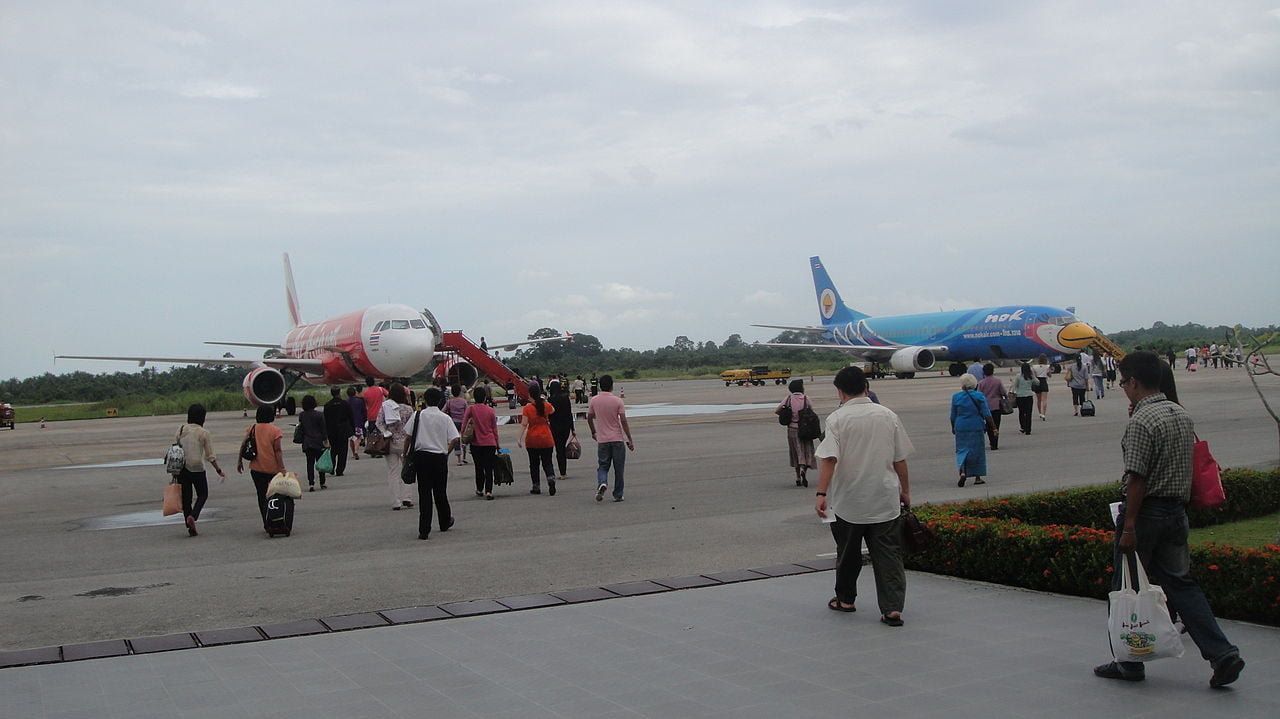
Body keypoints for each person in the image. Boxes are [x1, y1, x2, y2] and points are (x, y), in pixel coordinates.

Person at [1093, 351, 1245, 687]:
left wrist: (1129, 526)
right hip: (1177, 512)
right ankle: (1222, 654)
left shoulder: (1142, 422)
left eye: (1123, 382)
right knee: (1182, 585)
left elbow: (1137, 479)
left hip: (1145, 515)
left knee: (1126, 587)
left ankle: (1130, 662)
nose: (1122, 388)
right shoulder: (1180, 414)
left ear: (1133, 381)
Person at [813, 366, 913, 625]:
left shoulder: (836, 419)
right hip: (884, 499)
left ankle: (845, 600)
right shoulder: (887, 415)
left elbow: (828, 459)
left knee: (848, 553)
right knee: (889, 554)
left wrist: (821, 493)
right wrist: (905, 490)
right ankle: (892, 609)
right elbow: (899, 458)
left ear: (840, 391)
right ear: (866, 387)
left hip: (849, 501)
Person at [404, 387, 459, 540]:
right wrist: (446, 452)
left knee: (424, 492)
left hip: (421, 457)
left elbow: (408, 437)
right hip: (439, 457)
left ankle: (424, 529)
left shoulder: (417, 415)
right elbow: (455, 439)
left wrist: (405, 456)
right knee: (440, 491)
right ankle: (444, 521)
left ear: (425, 400)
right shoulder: (445, 418)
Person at [174, 404, 224, 537]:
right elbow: (210, 456)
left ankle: (188, 523)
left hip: (182, 468)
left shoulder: (181, 429)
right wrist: (218, 470)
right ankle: (193, 516)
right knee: (202, 494)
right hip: (197, 467)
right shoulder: (203, 433)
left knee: (186, 498)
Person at [236, 404, 286, 532]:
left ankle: (266, 521)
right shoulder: (275, 431)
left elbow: (243, 444)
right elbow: (278, 451)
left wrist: (239, 461)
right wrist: (282, 468)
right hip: (272, 469)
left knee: (261, 496)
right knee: (274, 495)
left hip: (256, 469)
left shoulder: (252, 428)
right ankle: (275, 518)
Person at [587, 374, 633, 502]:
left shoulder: (594, 400)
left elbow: (589, 417)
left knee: (602, 466)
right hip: (617, 439)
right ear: (612, 386)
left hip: (602, 440)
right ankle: (618, 494)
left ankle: (602, 482)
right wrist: (629, 439)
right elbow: (623, 421)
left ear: (600, 386)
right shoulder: (618, 401)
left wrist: (593, 432)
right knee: (619, 468)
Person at [376, 383, 416, 510]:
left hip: (390, 442)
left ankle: (396, 501)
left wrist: (386, 432)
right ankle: (407, 497)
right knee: (407, 468)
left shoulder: (385, 406)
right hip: (405, 442)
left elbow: (379, 422)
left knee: (392, 472)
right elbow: (413, 427)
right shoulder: (408, 409)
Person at [951, 374, 992, 487]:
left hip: (961, 426)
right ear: (975, 384)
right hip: (976, 426)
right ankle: (977, 477)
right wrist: (993, 427)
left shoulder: (956, 397)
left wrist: (953, 428)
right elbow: (987, 413)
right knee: (977, 451)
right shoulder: (979, 396)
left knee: (961, 450)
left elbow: (952, 416)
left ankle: (963, 472)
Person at [775, 379, 816, 487]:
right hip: (805, 429)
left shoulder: (788, 399)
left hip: (792, 429)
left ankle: (797, 477)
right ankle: (804, 470)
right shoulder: (806, 399)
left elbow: (777, 410)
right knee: (807, 451)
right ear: (801, 388)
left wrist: (788, 415)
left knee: (795, 452)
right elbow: (812, 410)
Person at [462, 386, 500, 499]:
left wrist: (462, 438)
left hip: (476, 444)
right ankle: (489, 491)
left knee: (479, 468)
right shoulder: (490, 410)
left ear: (474, 397)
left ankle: (479, 489)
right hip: (490, 443)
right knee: (489, 468)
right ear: (485, 398)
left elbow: (464, 424)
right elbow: (494, 429)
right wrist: (497, 444)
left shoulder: (471, 409)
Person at [518, 385, 556, 495]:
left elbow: (524, 424)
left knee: (534, 464)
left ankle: (536, 486)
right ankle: (551, 478)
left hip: (532, 439)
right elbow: (553, 410)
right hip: (546, 438)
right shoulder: (546, 405)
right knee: (547, 462)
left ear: (529, 394)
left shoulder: (527, 408)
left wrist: (519, 438)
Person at [297, 395, 329, 491]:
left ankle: (311, 483)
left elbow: (302, 428)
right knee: (320, 463)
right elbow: (323, 429)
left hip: (307, 442)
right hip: (318, 441)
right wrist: (326, 440)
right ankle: (322, 482)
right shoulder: (319, 414)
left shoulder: (302, 415)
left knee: (309, 464)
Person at [547, 380, 576, 482]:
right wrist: (573, 429)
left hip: (555, 427)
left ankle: (562, 472)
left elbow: (549, 414)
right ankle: (564, 472)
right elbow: (569, 414)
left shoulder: (550, 400)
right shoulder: (565, 398)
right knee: (562, 447)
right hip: (565, 427)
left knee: (559, 449)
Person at [323, 387, 354, 476]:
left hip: (332, 431)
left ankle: (331, 467)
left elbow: (325, 420)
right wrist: (352, 429)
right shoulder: (345, 404)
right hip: (343, 431)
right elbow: (350, 417)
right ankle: (340, 470)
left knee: (333, 451)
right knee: (343, 452)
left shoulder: (327, 405)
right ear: (339, 393)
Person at [976, 363, 1007, 450]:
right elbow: (1003, 392)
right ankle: (995, 442)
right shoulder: (998, 381)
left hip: (986, 406)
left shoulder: (981, 383)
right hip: (996, 406)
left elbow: (978, 395)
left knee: (989, 425)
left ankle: (991, 441)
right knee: (996, 425)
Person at [444, 385, 469, 466]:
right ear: (459, 392)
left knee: (456, 440)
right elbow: (467, 413)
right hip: (463, 422)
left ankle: (459, 459)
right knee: (464, 439)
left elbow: (444, 411)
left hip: (453, 422)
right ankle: (464, 457)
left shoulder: (449, 401)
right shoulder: (463, 401)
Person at [1010, 362, 1037, 435]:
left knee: (1021, 412)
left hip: (1020, 396)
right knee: (1029, 413)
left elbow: (1014, 386)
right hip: (1029, 396)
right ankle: (1028, 429)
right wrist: (1033, 375)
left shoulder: (1018, 376)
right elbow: (1037, 382)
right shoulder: (1030, 376)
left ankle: (1023, 427)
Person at [345, 386, 365, 460]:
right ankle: (356, 451)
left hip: (349, 423)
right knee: (358, 437)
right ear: (355, 393)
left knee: (351, 438)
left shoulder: (346, 402)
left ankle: (354, 453)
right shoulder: (360, 401)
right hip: (358, 421)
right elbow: (363, 411)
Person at [1032, 354, 1052, 420]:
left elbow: (1034, 375)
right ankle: (1044, 413)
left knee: (1038, 399)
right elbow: (1049, 375)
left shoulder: (1034, 367)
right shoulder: (1047, 366)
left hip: (1037, 382)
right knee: (1044, 399)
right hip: (1043, 381)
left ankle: (1040, 413)